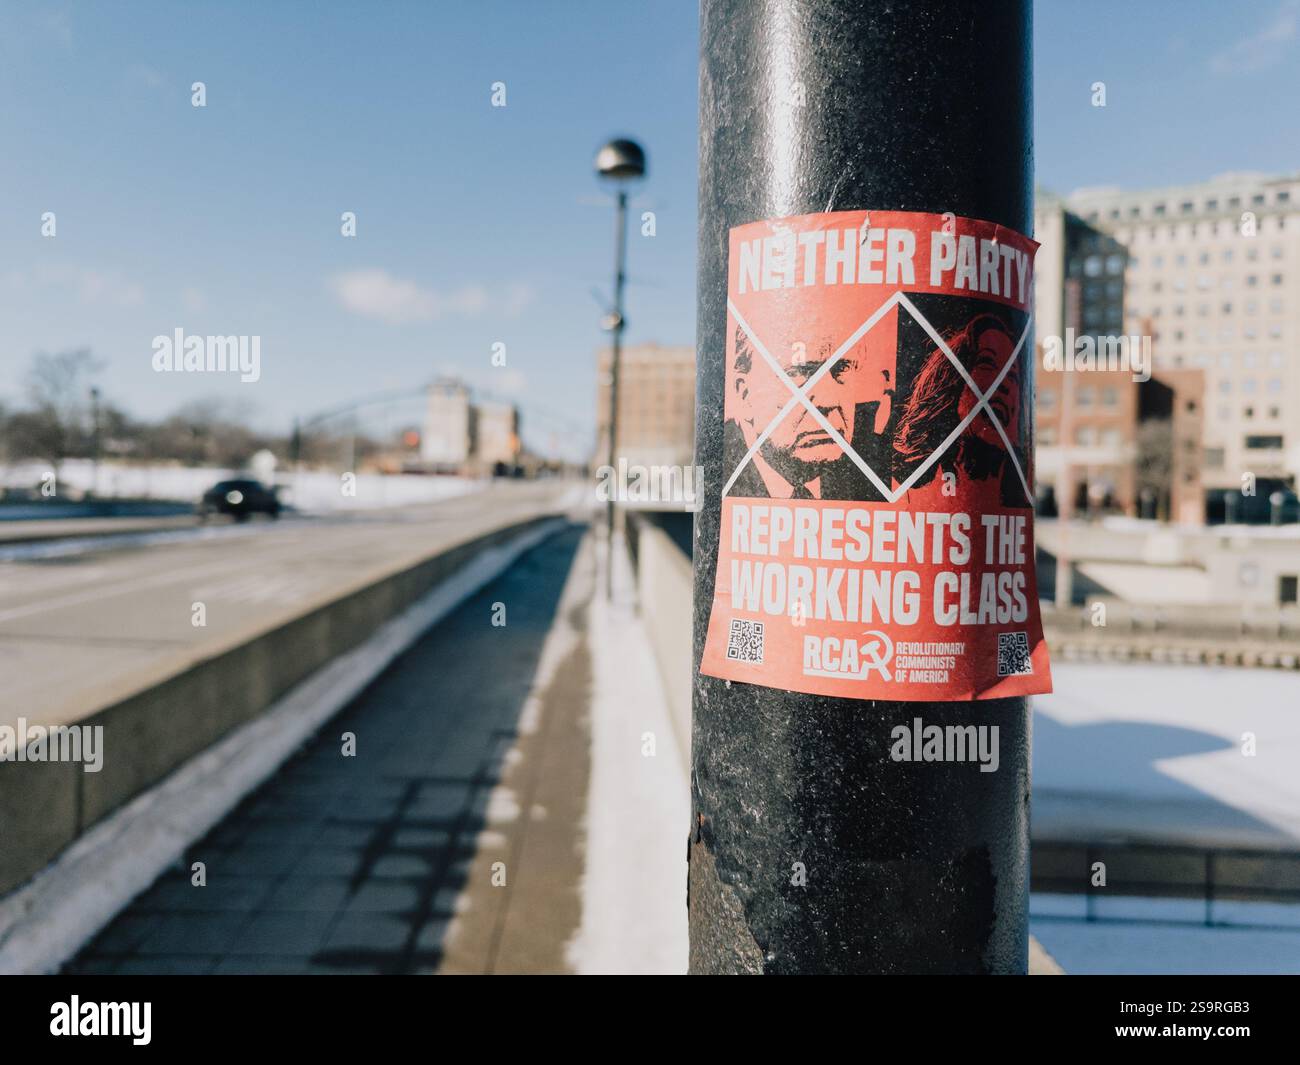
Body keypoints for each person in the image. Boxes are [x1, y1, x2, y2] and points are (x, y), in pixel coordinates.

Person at [723, 325, 889, 500]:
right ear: (744, 394)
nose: (829, 402)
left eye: (842, 368)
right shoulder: (718, 467)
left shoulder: (877, 472)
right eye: (796, 373)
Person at [892, 313, 1029, 509]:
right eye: (987, 363)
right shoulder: (908, 491)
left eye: (1013, 375)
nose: (1005, 384)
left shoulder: (1017, 499)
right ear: (950, 381)